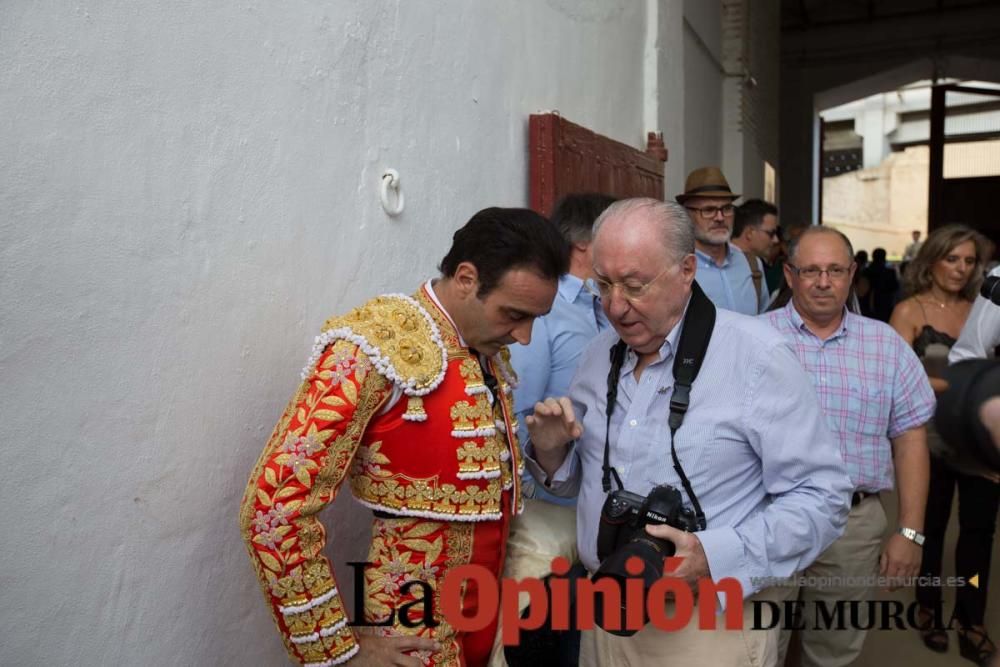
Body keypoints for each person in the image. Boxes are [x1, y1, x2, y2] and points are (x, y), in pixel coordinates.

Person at [524, 198, 852, 665]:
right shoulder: (599, 353)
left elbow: (824, 497)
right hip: (606, 617)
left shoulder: (757, 356)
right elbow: (587, 478)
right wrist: (551, 451)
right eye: (603, 285)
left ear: (686, 270)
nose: (616, 306)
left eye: (635, 285)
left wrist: (716, 557)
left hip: (707, 627)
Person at [239, 208, 569, 667]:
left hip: (487, 625)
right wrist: (337, 648)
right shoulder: (372, 348)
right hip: (413, 635)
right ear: (467, 278)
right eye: (514, 315)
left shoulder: (484, 349)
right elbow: (274, 508)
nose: (526, 337)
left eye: (535, 318)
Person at [765, 226, 936, 667]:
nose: (824, 281)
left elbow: (911, 436)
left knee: (835, 651)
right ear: (789, 274)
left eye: (835, 270)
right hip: (764, 518)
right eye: (811, 271)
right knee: (756, 647)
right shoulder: (750, 340)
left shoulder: (886, 346)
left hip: (852, 525)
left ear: (852, 273)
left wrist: (910, 532)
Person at [890, 224, 999, 666]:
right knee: (930, 532)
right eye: (952, 258)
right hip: (928, 442)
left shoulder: (986, 307)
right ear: (931, 260)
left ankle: (970, 617)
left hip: (977, 443)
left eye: (969, 260)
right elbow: (897, 385)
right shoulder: (908, 311)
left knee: (978, 535)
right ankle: (929, 607)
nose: (961, 268)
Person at [509, 193, 615, 504]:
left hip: (595, 494)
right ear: (585, 242)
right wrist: (529, 493)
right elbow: (518, 409)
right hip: (549, 500)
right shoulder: (544, 308)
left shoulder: (603, 306)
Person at [677, 167, 769, 315]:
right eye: (708, 210)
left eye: (726, 208)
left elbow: (765, 321)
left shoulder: (752, 265)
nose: (720, 217)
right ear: (688, 215)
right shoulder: (678, 269)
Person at [732, 199, 781, 310]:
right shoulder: (716, 261)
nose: (776, 240)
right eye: (771, 233)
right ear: (750, 233)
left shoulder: (755, 264)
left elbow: (763, 314)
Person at [860, 247, 900, 322]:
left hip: (866, 308)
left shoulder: (866, 272)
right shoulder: (890, 273)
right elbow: (895, 288)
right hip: (885, 306)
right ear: (884, 257)